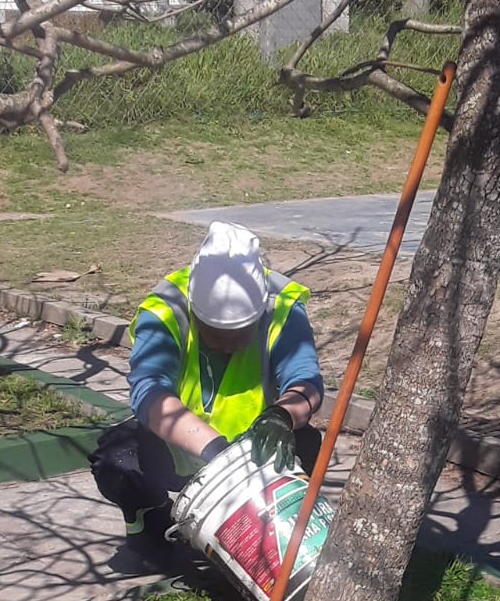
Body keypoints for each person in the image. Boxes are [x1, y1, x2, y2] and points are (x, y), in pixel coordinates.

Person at [90, 220, 324, 557]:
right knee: (117, 459)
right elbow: (149, 391)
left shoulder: (283, 307)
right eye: (216, 332)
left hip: (255, 459)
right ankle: (152, 518)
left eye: (242, 332)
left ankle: (266, 531)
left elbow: (306, 380)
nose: (229, 344)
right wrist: (218, 453)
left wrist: (282, 415)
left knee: (305, 443)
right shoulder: (166, 307)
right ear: (195, 311)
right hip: (180, 453)